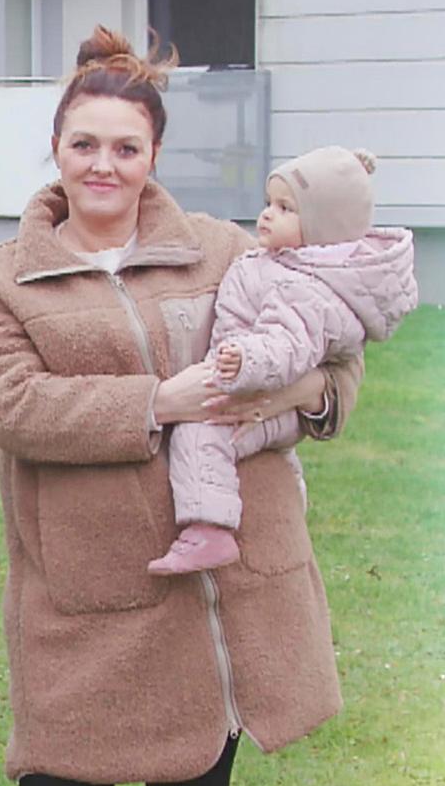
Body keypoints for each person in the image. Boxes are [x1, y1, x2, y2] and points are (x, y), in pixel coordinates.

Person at [0, 26, 362, 786]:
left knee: (196, 771)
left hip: (218, 578)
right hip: (86, 578)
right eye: (84, 144)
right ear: (56, 148)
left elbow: (335, 349)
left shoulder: (227, 249)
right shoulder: (1, 279)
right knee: (58, 779)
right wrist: (163, 398)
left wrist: (299, 399)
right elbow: (13, 406)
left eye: (125, 148)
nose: (104, 165)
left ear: (153, 156)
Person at [147, 145, 417, 574]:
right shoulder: (283, 265)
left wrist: (243, 362)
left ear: (320, 228)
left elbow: (287, 345)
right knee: (246, 441)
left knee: (201, 434)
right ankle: (289, 486)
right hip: (260, 382)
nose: (268, 215)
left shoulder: (303, 287)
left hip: (258, 383)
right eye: (269, 203)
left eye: (286, 208)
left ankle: (210, 528)